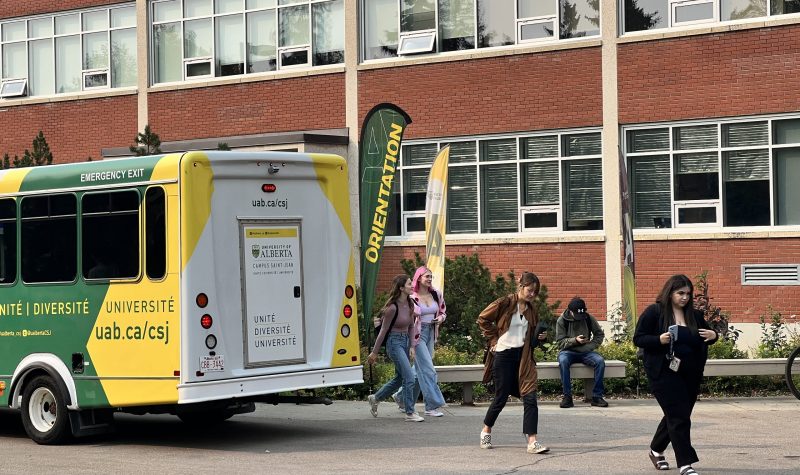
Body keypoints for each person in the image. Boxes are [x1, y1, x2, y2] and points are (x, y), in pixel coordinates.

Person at [634, 274, 718, 475]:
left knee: (677, 414)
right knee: (679, 415)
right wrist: (659, 340)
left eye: (688, 294)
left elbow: (707, 335)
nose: (685, 297)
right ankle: (685, 463)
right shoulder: (655, 312)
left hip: (690, 372)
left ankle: (656, 450)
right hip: (663, 372)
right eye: (680, 293)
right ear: (670, 292)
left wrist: (714, 335)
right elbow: (639, 338)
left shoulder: (694, 316)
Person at [477, 271, 549, 454]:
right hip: (503, 355)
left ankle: (532, 441)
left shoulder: (532, 310)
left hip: (523, 357)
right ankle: (486, 430)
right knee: (500, 398)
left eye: (535, 292)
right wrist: (493, 341)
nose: (532, 294)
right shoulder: (505, 303)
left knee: (530, 397)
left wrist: (540, 337)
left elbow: (531, 337)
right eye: (530, 290)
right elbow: (483, 318)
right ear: (521, 286)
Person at [366, 274, 425, 422]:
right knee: (409, 377)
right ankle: (410, 413)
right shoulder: (392, 308)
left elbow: (411, 326)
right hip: (394, 343)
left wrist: (412, 346)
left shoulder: (410, 304)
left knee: (400, 378)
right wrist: (374, 352)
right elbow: (383, 331)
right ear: (401, 288)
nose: (412, 286)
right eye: (409, 284)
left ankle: (376, 398)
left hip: (405, 342)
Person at [392, 266, 447, 417]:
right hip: (417, 335)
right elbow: (406, 315)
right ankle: (431, 406)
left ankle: (401, 398)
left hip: (431, 332)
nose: (429, 279)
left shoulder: (436, 294)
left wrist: (440, 319)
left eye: (431, 277)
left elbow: (443, 312)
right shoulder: (412, 297)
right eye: (427, 277)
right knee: (429, 369)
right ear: (419, 278)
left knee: (419, 370)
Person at [555, 297, 608, 408]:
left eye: (582, 314)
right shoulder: (562, 321)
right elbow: (560, 342)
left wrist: (590, 346)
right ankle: (567, 397)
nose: (580, 318)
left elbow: (599, 335)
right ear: (570, 311)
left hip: (586, 352)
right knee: (563, 361)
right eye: (577, 315)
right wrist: (575, 340)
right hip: (568, 352)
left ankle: (597, 397)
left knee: (600, 361)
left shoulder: (588, 318)